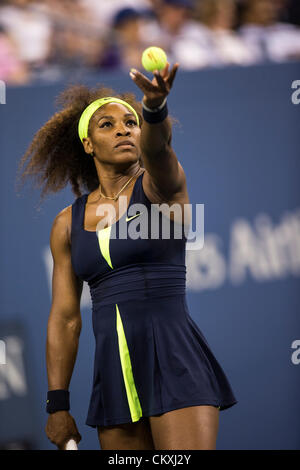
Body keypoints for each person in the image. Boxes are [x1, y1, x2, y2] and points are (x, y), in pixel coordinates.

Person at [17, 62, 237, 450]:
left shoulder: (160, 188)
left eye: (131, 122)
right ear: (87, 144)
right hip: (114, 377)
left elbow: (158, 147)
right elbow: (66, 318)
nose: (123, 129)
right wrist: (57, 404)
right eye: (107, 124)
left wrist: (153, 108)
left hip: (175, 363)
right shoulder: (66, 224)